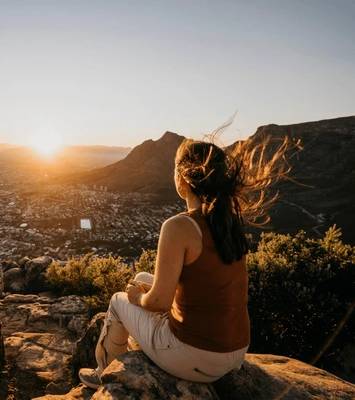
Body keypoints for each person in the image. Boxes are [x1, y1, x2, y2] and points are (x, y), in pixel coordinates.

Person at [79, 130, 295, 388]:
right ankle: (143, 348)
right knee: (141, 278)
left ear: (182, 178)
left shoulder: (179, 226)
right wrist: (146, 292)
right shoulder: (227, 221)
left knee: (118, 301)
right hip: (235, 350)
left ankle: (106, 375)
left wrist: (138, 298)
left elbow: (159, 302)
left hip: (196, 356)